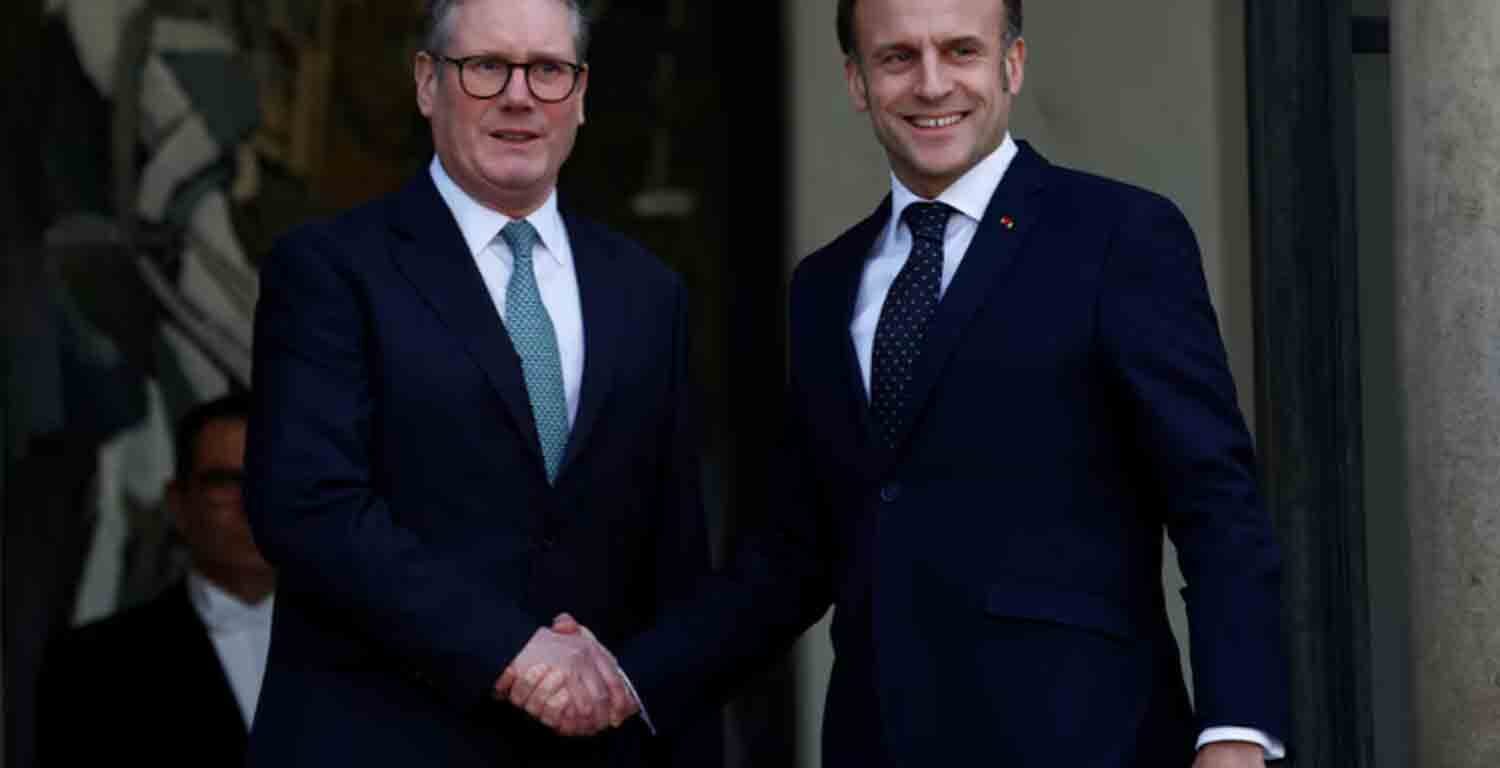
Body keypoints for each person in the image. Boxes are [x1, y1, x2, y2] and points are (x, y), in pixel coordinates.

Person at [527, 0, 1290, 765]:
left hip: (1084, 741)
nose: (931, 84)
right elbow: (793, 558)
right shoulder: (824, 286)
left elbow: (1215, 506)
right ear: (858, 82)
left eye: (960, 51)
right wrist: (630, 677)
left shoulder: (1118, 237)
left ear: (1012, 65)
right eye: (898, 58)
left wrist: (1234, 735)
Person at [241, 0, 719, 764]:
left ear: (583, 92)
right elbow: (308, 507)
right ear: (429, 83)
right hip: (381, 743)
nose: (521, 96)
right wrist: (512, 651)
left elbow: (676, 564)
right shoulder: (332, 269)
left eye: (549, 70)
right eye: (488, 66)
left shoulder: (648, 293)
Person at [36, 392, 276, 767]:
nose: (252, 505)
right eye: (224, 484)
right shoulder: (92, 666)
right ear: (178, 504)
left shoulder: (373, 649)